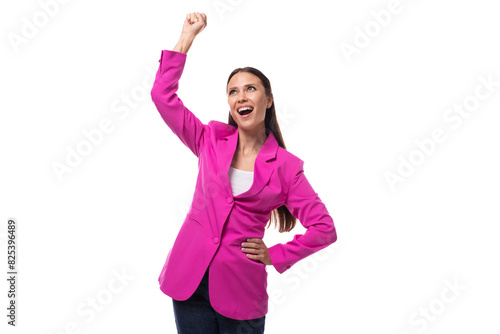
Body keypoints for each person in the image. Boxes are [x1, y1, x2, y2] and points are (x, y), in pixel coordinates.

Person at [150, 11, 337, 334]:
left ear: (268, 100)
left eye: (250, 89)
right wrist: (185, 40)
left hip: (240, 293)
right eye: (233, 91)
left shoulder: (286, 167)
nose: (241, 97)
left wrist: (275, 254)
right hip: (189, 282)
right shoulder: (210, 139)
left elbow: (324, 229)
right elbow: (163, 98)